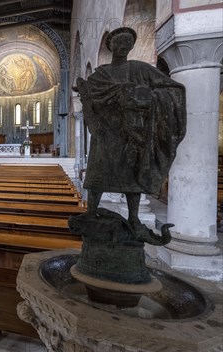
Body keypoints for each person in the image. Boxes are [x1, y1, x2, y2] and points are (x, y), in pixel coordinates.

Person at [75, 27, 186, 233]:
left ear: (132, 46)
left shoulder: (140, 69)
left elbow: (171, 89)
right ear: (111, 45)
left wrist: (146, 97)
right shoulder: (101, 74)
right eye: (119, 42)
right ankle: (91, 211)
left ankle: (133, 217)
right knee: (97, 173)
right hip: (105, 132)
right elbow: (88, 95)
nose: (123, 46)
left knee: (131, 176)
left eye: (127, 43)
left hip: (132, 132)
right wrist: (84, 89)